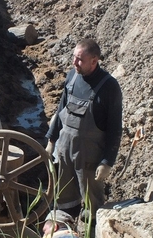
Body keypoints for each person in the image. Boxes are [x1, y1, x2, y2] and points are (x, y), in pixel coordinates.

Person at [45, 38, 122, 222]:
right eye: (74, 57)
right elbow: (60, 110)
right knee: (63, 196)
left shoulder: (109, 87)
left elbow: (115, 128)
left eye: (80, 59)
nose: (74, 63)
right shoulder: (72, 76)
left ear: (94, 61)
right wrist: (51, 141)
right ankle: (65, 235)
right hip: (64, 150)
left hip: (88, 156)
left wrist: (107, 162)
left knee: (91, 202)